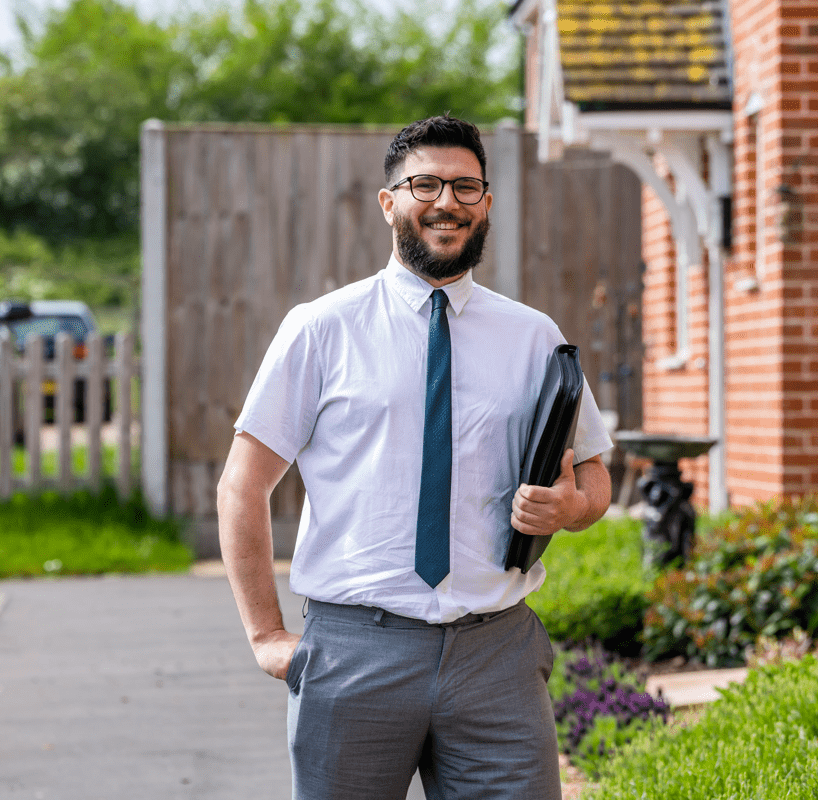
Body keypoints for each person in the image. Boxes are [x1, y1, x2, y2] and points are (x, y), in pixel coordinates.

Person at [215, 114, 613, 800]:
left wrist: (575, 507)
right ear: (389, 201)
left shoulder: (534, 337)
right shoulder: (322, 328)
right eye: (424, 184)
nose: (446, 203)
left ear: (486, 203)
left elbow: (595, 473)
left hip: (497, 655)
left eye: (465, 187)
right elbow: (242, 486)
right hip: (355, 651)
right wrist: (265, 633)